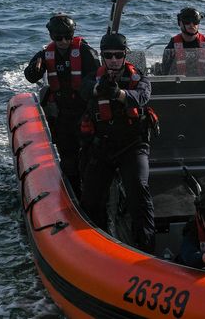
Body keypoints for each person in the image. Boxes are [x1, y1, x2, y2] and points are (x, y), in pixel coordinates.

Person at [79, 33, 155, 252]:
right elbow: (85, 90)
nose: (113, 60)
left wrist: (119, 93)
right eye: (108, 55)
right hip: (103, 145)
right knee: (91, 197)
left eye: (118, 55)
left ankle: (147, 246)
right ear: (102, 56)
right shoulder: (94, 78)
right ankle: (97, 244)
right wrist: (98, 90)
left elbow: (141, 97)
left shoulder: (138, 78)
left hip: (133, 146)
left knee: (139, 190)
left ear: (125, 56)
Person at [24, 13, 100, 198]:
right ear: (51, 36)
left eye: (68, 36)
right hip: (62, 114)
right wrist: (35, 69)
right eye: (58, 37)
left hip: (84, 112)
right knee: (68, 158)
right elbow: (31, 76)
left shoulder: (85, 52)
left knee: (89, 156)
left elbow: (98, 75)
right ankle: (73, 194)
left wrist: (87, 87)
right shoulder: (45, 54)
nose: (64, 41)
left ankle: (92, 194)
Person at [159, 7, 205, 77]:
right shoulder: (172, 46)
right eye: (187, 21)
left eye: (195, 21)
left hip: (203, 84)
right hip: (178, 84)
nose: (192, 25)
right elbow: (165, 73)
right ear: (180, 23)